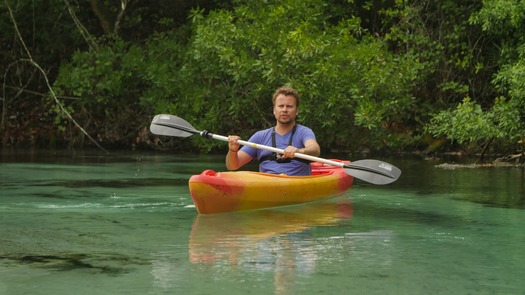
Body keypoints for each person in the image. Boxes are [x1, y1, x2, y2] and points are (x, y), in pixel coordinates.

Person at [226, 86, 321, 176]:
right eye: (281, 106)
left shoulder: (304, 132)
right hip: (268, 184)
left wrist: (299, 151)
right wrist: (232, 151)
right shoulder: (259, 136)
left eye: (289, 106)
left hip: (297, 184)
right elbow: (232, 166)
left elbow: (315, 149)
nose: (284, 110)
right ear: (274, 110)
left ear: (296, 111)